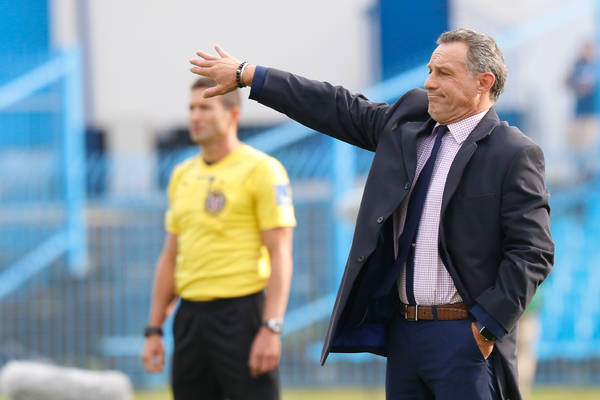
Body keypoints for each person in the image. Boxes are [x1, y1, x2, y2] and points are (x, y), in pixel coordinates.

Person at [190, 28, 554, 400]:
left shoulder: (514, 152)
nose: (429, 83)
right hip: (405, 336)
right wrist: (250, 75)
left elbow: (533, 252)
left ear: (484, 82)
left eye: (444, 73)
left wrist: (487, 326)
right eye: (430, 71)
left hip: (465, 338)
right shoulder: (409, 123)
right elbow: (335, 105)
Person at [141, 77, 296, 400]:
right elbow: (170, 256)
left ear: (233, 115)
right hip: (190, 318)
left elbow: (280, 253)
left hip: (241, 315)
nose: (195, 117)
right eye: (191, 109)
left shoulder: (262, 170)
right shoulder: (182, 174)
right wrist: (154, 329)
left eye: (205, 108)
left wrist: (271, 327)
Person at [567, 41, 598, 183]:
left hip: (591, 114)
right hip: (578, 113)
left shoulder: (595, 67)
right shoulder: (578, 66)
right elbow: (567, 82)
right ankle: (580, 174)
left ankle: (590, 174)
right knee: (577, 146)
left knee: (589, 146)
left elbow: (588, 86)